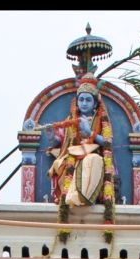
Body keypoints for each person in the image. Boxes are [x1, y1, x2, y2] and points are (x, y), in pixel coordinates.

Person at [47, 75, 112, 208]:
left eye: (88, 100)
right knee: (58, 163)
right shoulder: (72, 119)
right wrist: (51, 136)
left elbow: (108, 142)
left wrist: (89, 133)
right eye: (81, 99)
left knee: (92, 159)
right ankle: (70, 196)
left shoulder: (100, 120)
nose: (84, 103)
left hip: (92, 157)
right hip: (71, 157)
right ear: (77, 102)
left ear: (94, 104)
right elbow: (60, 141)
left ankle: (81, 196)